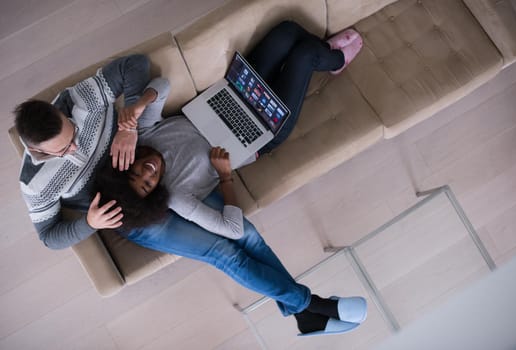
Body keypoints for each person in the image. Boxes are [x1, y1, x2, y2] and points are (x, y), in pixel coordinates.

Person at [95, 21, 367, 336]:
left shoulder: (144, 133)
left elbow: (162, 85)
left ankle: (305, 314)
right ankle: (336, 61)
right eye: (147, 185)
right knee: (305, 53)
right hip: (258, 135)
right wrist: (225, 178)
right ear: (154, 193)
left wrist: (136, 110)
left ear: (127, 161)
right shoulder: (178, 197)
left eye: (136, 171)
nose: (148, 173)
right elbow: (233, 230)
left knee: (287, 31)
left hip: (231, 97)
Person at [14, 54, 164, 249]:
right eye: (63, 149)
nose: (74, 147)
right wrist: (89, 224)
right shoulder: (35, 185)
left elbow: (135, 63)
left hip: (144, 162)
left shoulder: (80, 101)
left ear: (61, 113)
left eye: (73, 132)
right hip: (122, 210)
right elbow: (49, 238)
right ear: (35, 149)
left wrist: (128, 128)